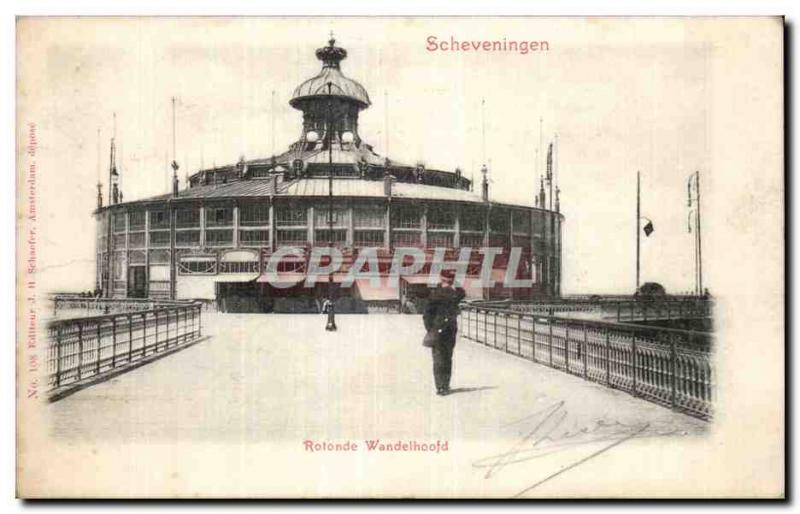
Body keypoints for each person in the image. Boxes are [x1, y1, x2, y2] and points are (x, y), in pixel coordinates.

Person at [423, 270, 466, 396]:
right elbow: (462, 293)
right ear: (451, 280)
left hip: (437, 330)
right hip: (451, 329)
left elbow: (426, 315)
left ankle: (440, 387)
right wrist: (455, 283)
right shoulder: (454, 294)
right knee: (448, 358)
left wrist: (431, 329)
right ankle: (445, 385)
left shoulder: (434, 294)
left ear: (441, 279)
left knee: (438, 358)